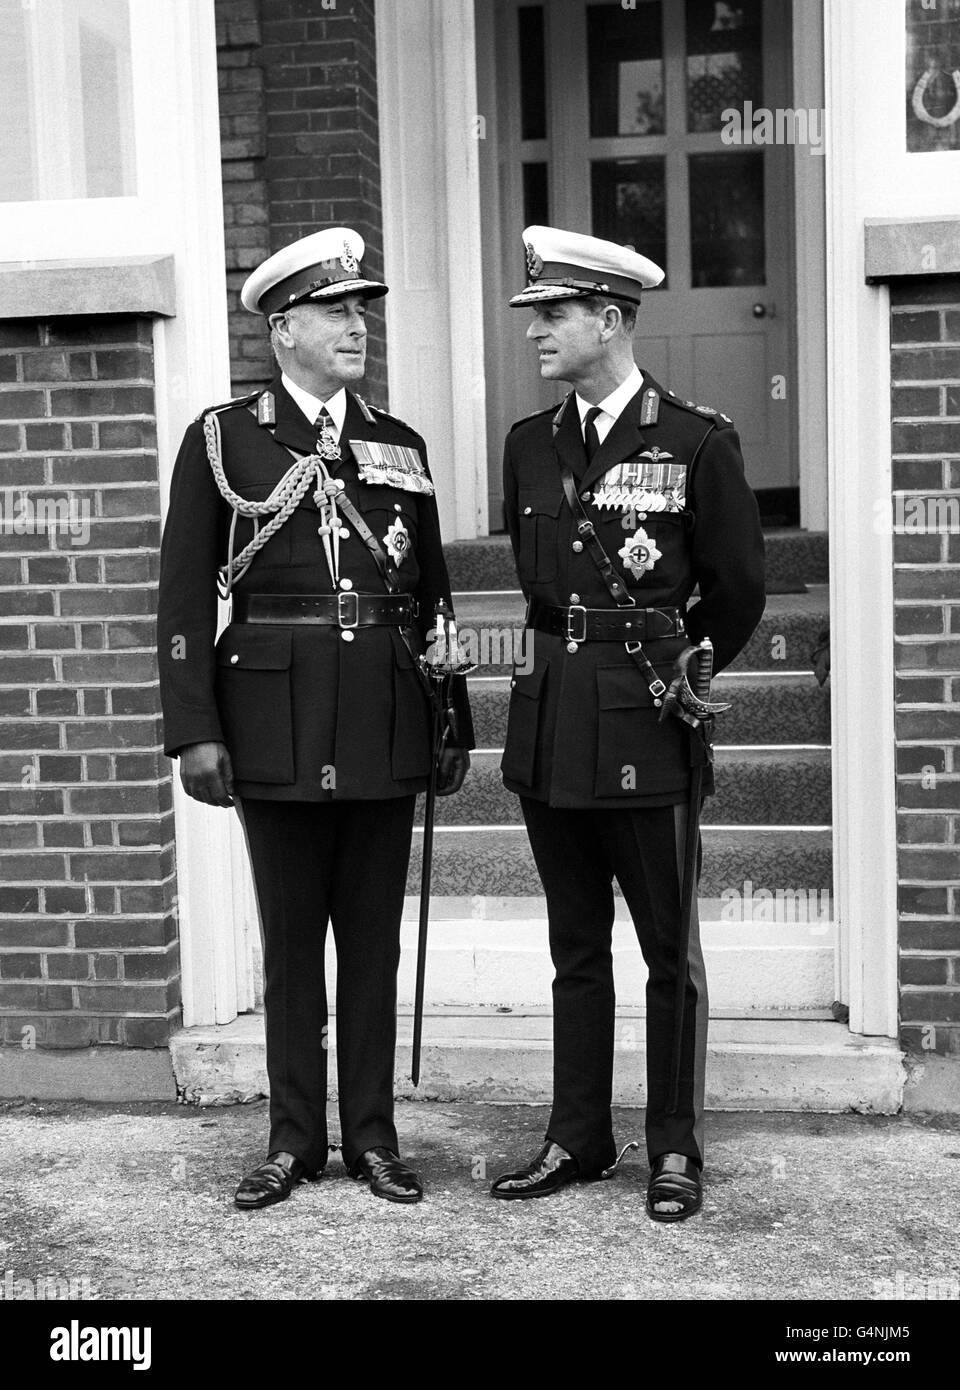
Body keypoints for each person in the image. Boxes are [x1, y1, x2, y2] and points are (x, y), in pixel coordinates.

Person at [157, 227, 472, 1209]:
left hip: (381, 712)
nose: (356, 325)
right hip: (272, 718)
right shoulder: (225, 438)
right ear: (282, 327)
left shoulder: (399, 443)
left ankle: (372, 1137)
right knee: (292, 939)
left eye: (362, 309)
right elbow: (179, 600)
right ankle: (293, 1138)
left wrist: (449, 715)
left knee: (370, 940)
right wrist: (194, 727)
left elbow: (435, 600)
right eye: (335, 310)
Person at [490, 226, 765, 1221]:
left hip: (648, 718)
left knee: (665, 947)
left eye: (553, 316)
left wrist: (687, 674)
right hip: (553, 716)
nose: (537, 334)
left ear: (608, 320)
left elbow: (737, 590)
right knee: (574, 944)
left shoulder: (695, 439)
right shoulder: (529, 445)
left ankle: (676, 1145)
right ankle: (579, 1133)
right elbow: (535, 603)